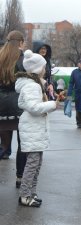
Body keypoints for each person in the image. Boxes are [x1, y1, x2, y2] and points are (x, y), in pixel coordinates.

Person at [15, 50, 59, 207]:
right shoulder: (32, 86)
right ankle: (25, 195)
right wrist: (52, 105)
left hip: (36, 129)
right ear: (37, 68)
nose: (46, 70)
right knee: (32, 164)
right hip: (32, 129)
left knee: (36, 163)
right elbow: (33, 107)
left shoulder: (35, 84)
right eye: (44, 67)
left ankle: (31, 193)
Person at [0, 30, 27, 188]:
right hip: (18, 105)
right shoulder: (23, 59)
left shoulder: (1, 56)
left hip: (1, 105)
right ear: (21, 42)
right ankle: (20, 177)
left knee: (3, 144)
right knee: (22, 143)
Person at [67, 59, 81, 129]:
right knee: (78, 108)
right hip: (78, 93)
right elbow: (71, 83)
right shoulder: (74, 72)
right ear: (78, 64)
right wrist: (69, 94)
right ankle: (79, 122)